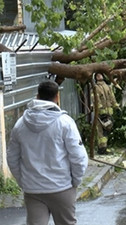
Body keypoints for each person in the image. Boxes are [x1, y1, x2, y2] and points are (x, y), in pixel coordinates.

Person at [7, 80, 88, 225]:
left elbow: (12, 158)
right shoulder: (65, 123)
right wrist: (75, 181)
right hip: (61, 187)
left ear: (37, 96)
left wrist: (24, 182)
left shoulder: (20, 124)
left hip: (33, 190)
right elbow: (78, 157)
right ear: (57, 97)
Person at [93, 73, 119, 154]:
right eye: (97, 75)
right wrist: (100, 110)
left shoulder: (108, 87)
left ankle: (104, 147)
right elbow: (95, 100)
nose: (99, 76)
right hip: (100, 114)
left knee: (106, 131)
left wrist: (117, 107)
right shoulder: (95, 87)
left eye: (100, 75)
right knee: (100, 131)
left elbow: (112, 98)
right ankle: (102, 148)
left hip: (109, 113)